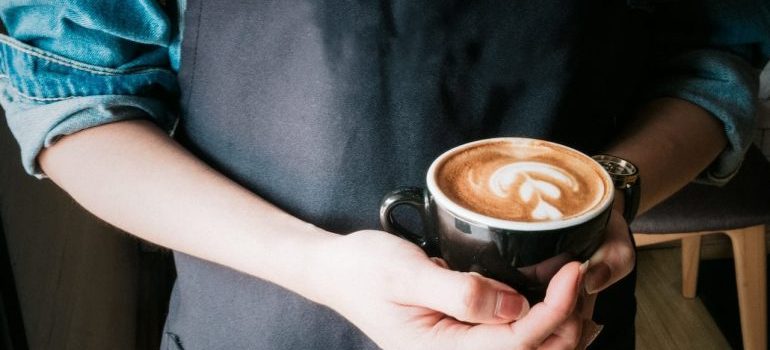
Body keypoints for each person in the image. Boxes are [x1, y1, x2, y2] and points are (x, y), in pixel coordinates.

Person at [0, 1, 766, 349]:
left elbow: (709, 59)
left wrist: (613, 192)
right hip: (261, 324)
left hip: (562, 328)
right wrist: (318, 266)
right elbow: (76, 99)